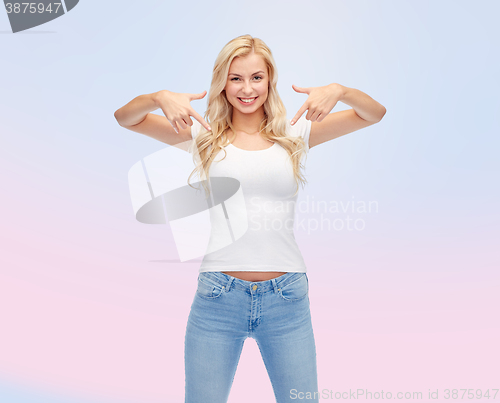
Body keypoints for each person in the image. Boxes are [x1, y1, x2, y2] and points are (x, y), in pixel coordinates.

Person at [114, 34, 386, 403]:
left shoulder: (295, 133)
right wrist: (158, 97)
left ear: (270, 80)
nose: (246, 89)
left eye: (256, 77)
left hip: (286, 299)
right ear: (222, 83)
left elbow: (374, 113)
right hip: (218, 298)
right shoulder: (203, 135)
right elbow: (125, 118)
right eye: (235, 78)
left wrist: (340, 90)